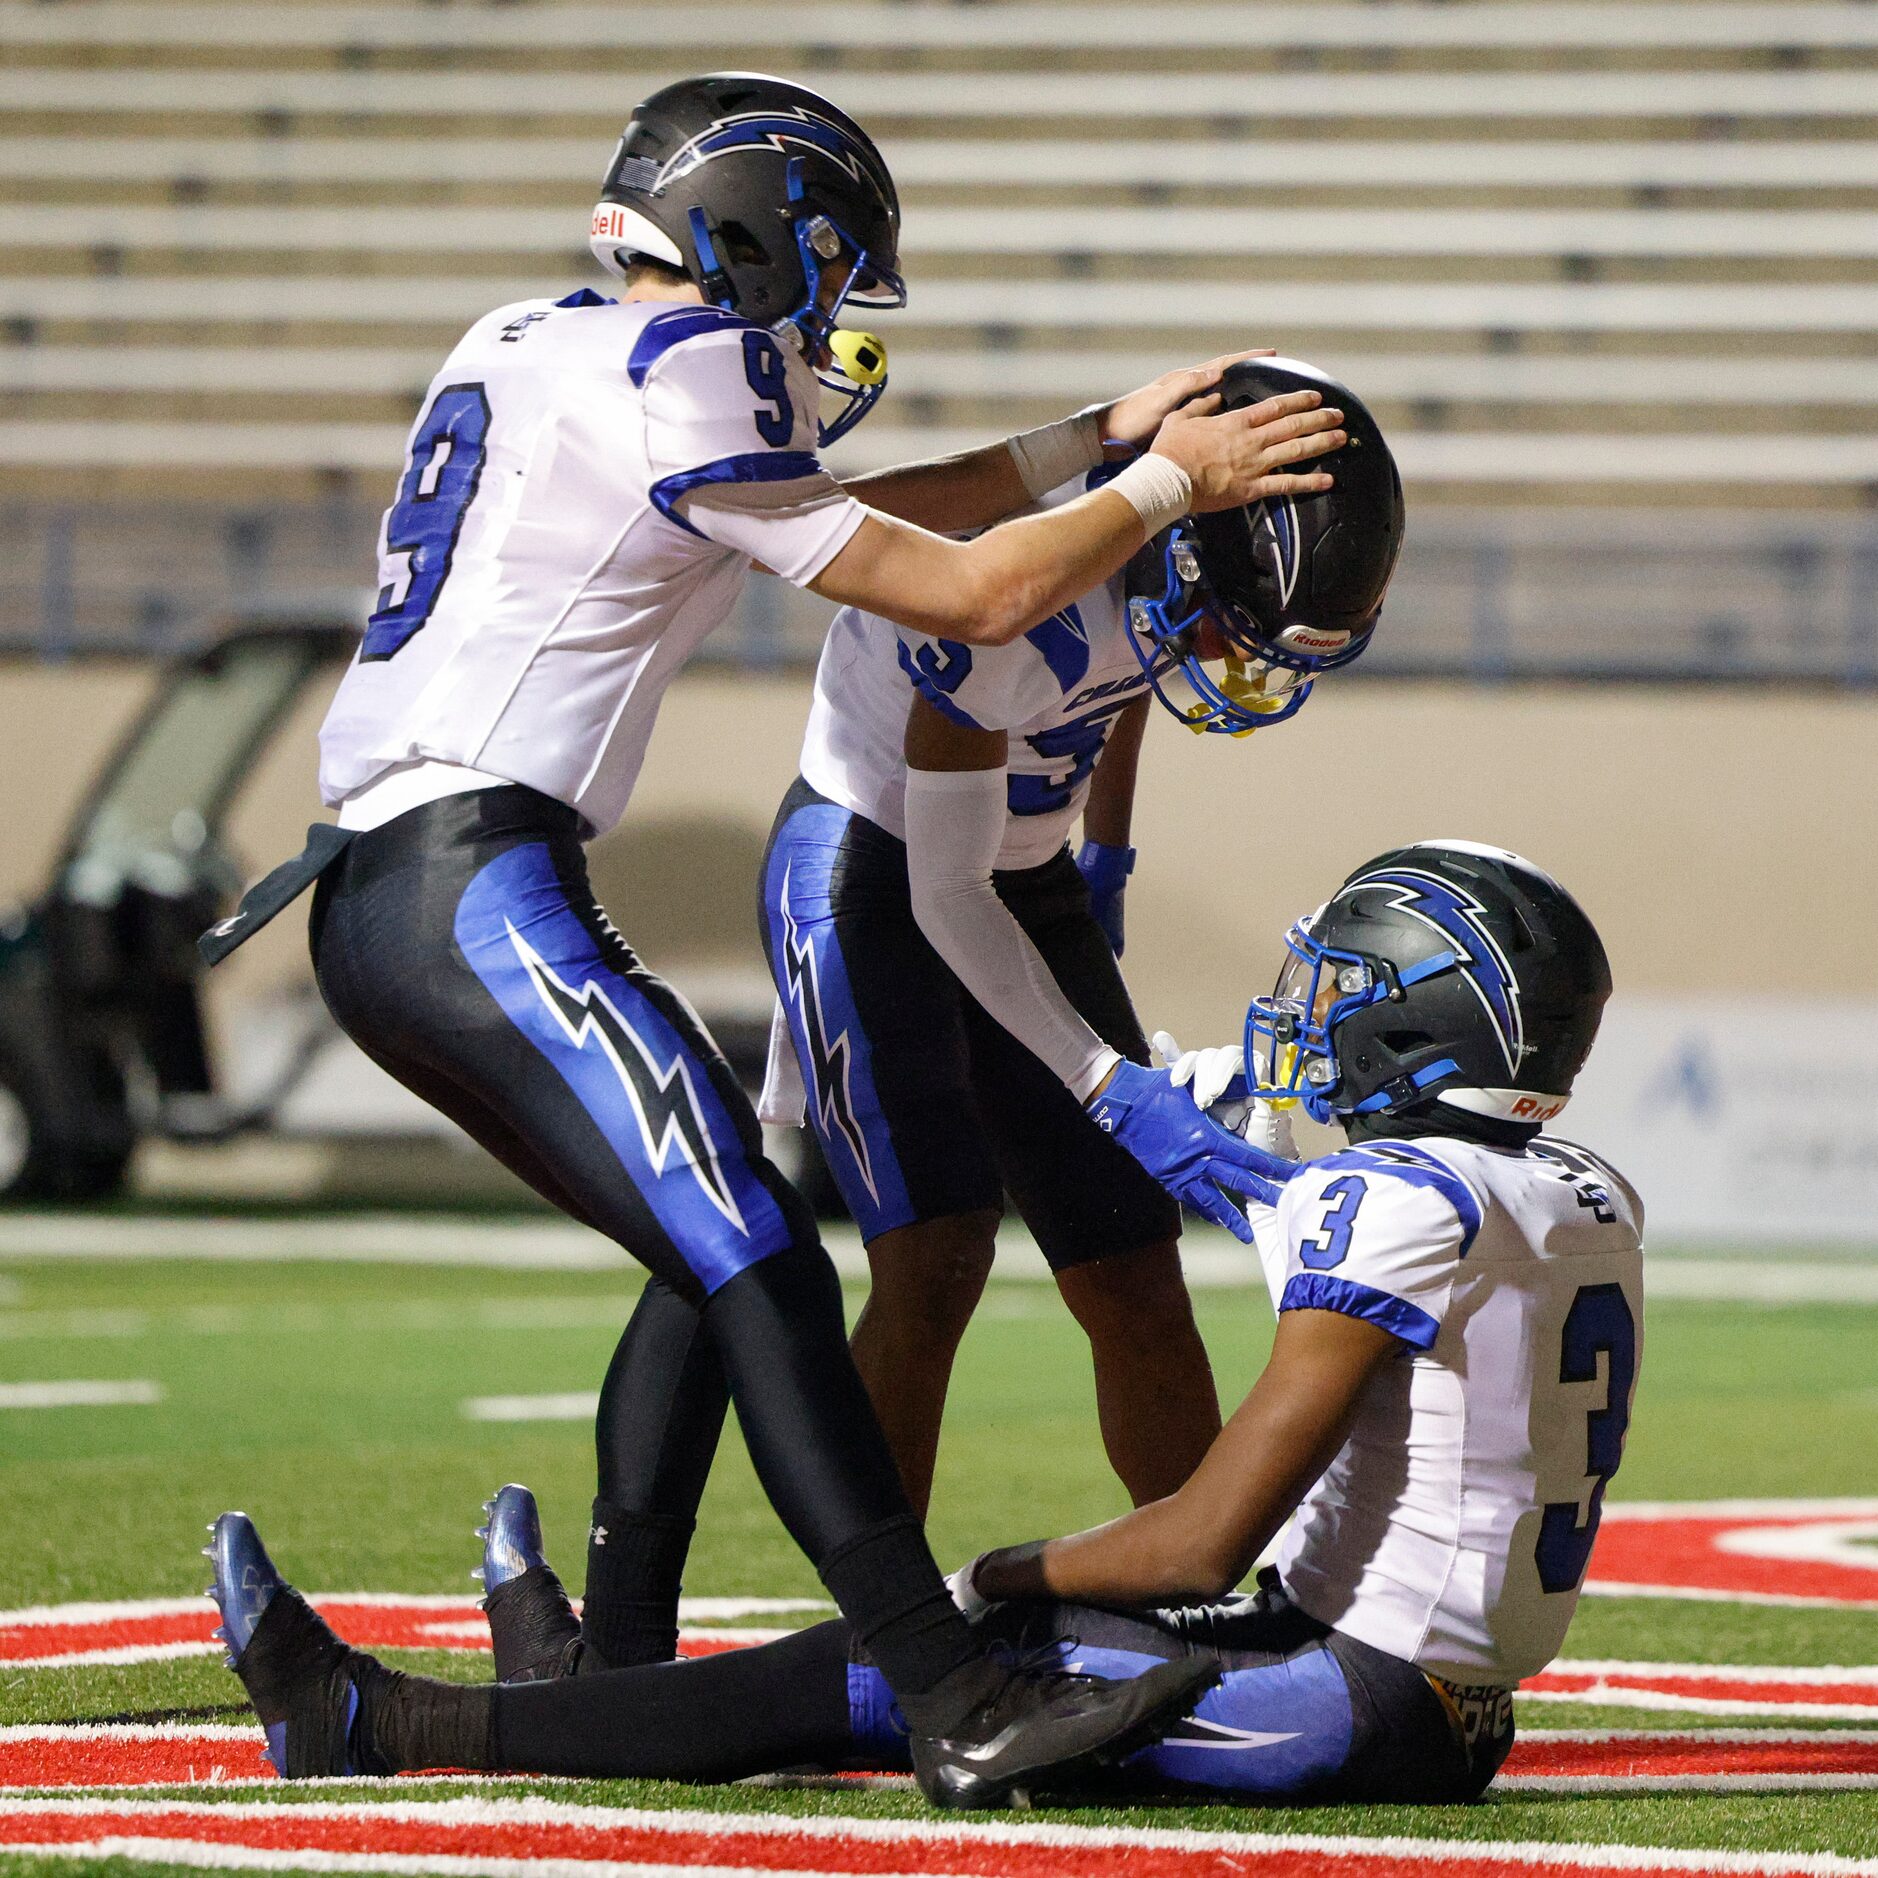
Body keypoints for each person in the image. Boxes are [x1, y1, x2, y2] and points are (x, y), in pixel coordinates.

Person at [196, 71, 1336, 1807]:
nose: (827, 320)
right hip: (469, 875)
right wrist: (1163, 480)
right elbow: (968, 588)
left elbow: (899, 508)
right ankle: (945, 1683)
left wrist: (1087, 438)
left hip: (393, 884)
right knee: (759, 1248)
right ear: (760, 242)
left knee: (712, 1228)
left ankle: (617, 1663)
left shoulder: (528, 340)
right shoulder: (689, 366)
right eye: (827, 272)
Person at [206, 837, 1641, 1807]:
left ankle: (382, 1722)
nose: (1309, 1012)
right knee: (948, 1650)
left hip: (1345, 1698)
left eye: (1348, 992)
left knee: (891, 1662)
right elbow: (1272, 1189)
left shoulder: (1389, 1203)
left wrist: (991, 1571)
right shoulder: (1575, 1190)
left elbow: (1204, 1534)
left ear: (1423, 1026)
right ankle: (564, 1691)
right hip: (1434, 1701)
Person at [757, 357, 1404, 1513]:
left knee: (1133, 1269)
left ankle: (1191, 1599)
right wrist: (1108, 1083)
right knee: (936, 1258)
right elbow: (945, 894)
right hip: (872, 865)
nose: (1231, 660)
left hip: (1014, 862)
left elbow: (1128, 674)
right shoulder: (1019, 605)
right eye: (1230, 626)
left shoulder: (1153, 577)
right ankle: (886, 1634)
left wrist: (1103, 850)